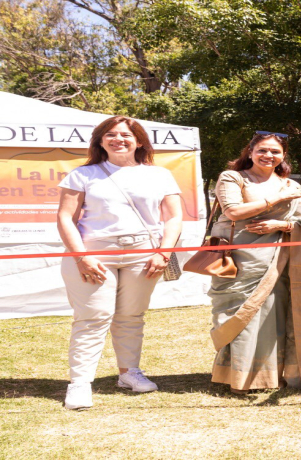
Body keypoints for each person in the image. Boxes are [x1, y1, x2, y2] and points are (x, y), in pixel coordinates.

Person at [57, 116, 183, 410]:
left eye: (126, 134)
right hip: (93, 254)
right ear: (100, 141)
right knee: (93, 317)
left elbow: (174, 217)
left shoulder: (160, 175)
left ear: (139, 141)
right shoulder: (82, 174)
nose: (118, 139)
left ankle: (129, 374)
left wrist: (163, 252)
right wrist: (82, 257)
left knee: (131, 315)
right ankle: (80, 384)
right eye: (110, 135)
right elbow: (66, 218)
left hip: (145, 253)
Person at [208, 131, 301, 394]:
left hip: (277, 259)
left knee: (272, 316)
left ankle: (269, 375)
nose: (268, 155)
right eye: (262, 150)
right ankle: (239, 376)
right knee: (243, 316)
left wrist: (282, 224)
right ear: (250, 152)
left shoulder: (290, 185)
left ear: (283, 156)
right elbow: (232, 211)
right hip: (239, 259)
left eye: (275, 151)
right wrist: (274, 200)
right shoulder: (233, 177)